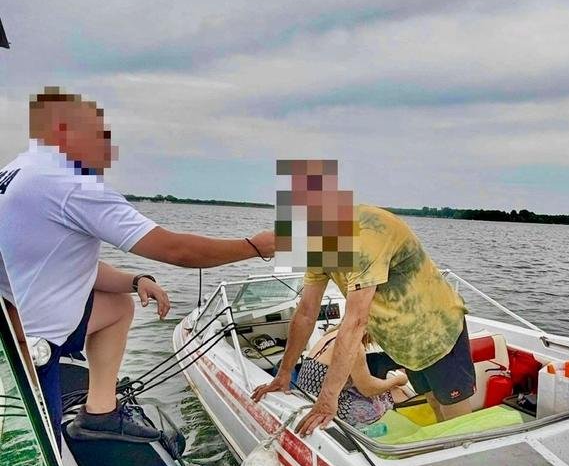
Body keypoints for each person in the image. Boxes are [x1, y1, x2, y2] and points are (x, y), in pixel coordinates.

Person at [0, 87, 275, 444]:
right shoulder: (70, 185)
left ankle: (100, 413)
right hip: (32, 347)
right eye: (100, 136)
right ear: (64, 132)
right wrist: (255, 246)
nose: (108, 150)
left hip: (13, 318)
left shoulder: (16, 172)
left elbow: (54, 263)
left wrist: (135, 280)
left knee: (117, 305)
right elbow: (177, 250)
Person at [252, 165, 475, 435]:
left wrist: (327, 401)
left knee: (457, 423)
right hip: (404, 345)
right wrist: (284, 373)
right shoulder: (317, 244)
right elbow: (306, 311)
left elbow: (356, 320)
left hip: (437, 334)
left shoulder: (367, 235)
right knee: (432, 403)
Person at [297, 328, 408, 427]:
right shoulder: (353, 345)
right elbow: (369, 390)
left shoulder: (332, 334)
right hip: (326, 406)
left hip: (307, 397)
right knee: (392, 395)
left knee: (388, 392)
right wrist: (398, 380)